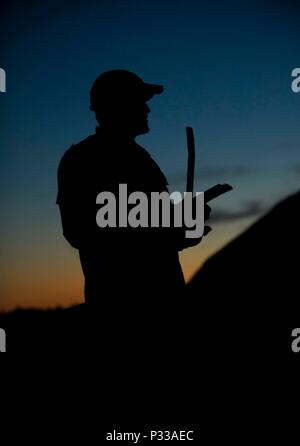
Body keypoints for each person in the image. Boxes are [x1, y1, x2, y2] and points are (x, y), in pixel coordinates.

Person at [57, 69, 211, 309]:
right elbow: (80, 231)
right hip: (121, 306)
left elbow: (151, 223)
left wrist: (183, 225)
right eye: (140, 102)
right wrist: (169, 232)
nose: (148, 110)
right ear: (118, 106)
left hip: (167, 301)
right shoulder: (83, 159)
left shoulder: (140, 158)